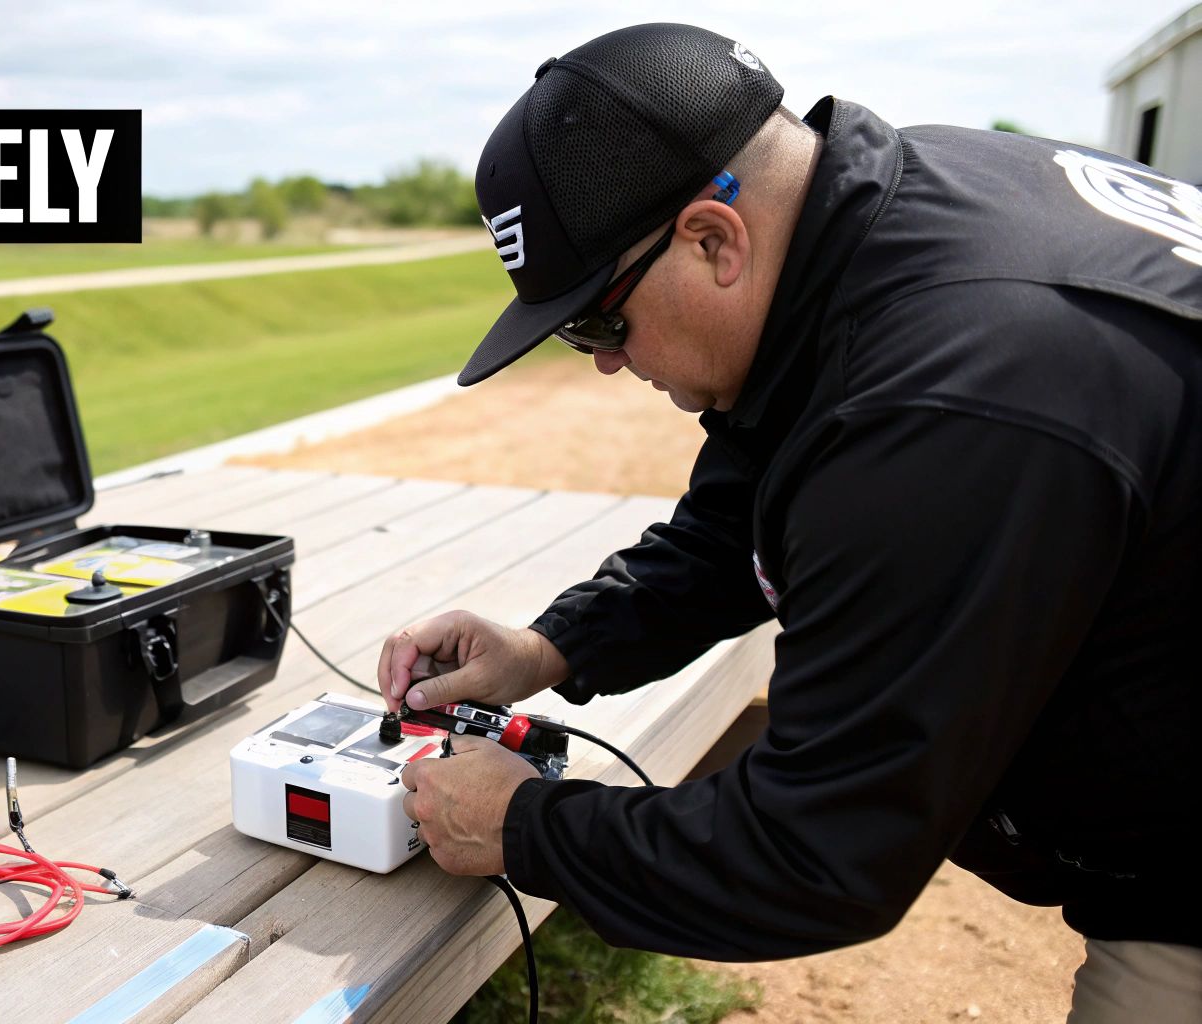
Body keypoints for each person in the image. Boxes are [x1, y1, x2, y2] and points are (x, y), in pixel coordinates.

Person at [378, 23, 1202, 1021]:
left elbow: (814, 852)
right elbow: (751, 513)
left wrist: (523, 824)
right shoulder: (886, 218)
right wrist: (550, 644)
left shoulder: (952, 394)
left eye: (597, 320)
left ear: (712, 238)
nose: (600, 359)